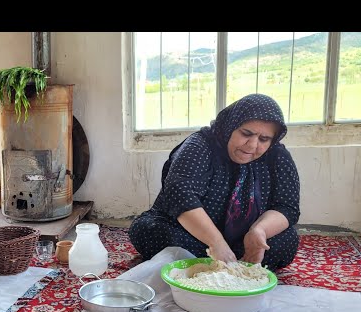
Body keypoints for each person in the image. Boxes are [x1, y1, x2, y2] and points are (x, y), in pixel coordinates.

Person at [128, 93, 300, 271]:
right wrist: (216, 243)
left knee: (287, 241)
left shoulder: (277, 156)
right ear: (231, 125)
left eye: (264, 139)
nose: (252, 145)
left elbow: (287, 206)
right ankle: (225, 260)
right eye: (246, 133)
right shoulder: (200, 145)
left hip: (243, 238)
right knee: (149, 231)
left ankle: (222, 260)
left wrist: (259, 231)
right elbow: (181, 195)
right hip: (193, 234)